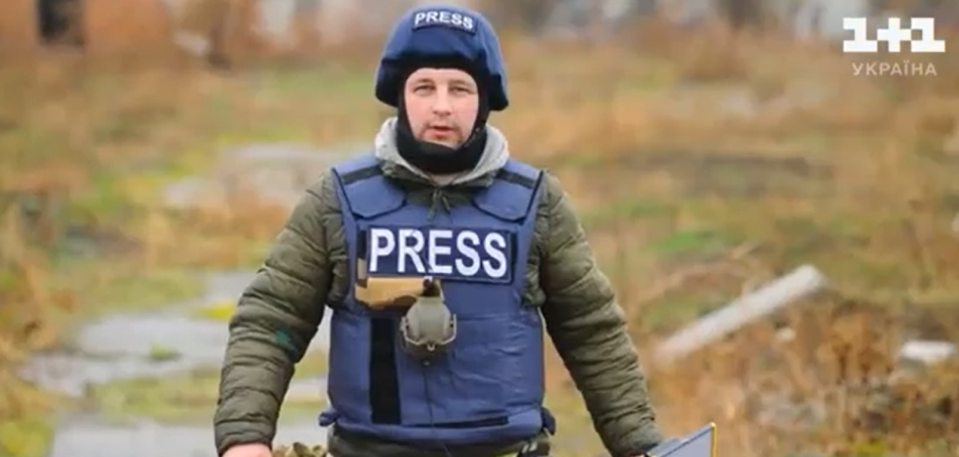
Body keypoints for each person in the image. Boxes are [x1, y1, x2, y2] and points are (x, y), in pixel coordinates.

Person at [213, 4, 663, 457]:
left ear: (485, 100)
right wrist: (244, 439)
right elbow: (271, 320)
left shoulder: (536, 203)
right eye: (424, 87)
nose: (442, 106)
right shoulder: (339, 201)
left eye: (460, 89)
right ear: (401, 96)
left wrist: (639, 445)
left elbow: (592, 331)